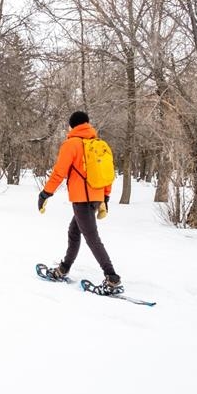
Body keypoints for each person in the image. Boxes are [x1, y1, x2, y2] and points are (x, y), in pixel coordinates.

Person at [37, 111, 122, 294]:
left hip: (82, 199)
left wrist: (45, 193)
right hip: (96, 196)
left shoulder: (71, 144)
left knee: (92, 238)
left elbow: (59, 172)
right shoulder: (100, 144)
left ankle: (112, 278)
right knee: (74, 231)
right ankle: (64, 268)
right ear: (87, 124)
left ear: (72, 126)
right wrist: (105, 198)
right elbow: (108, 175)